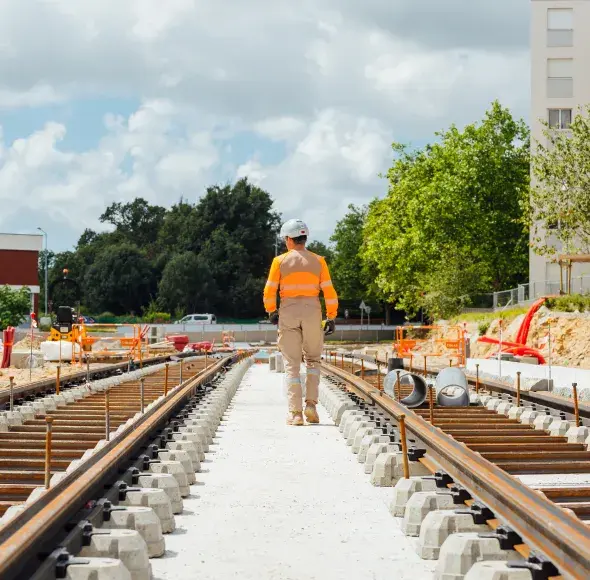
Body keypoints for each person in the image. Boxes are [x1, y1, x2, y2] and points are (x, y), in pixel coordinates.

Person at [263, 219, 338, 426]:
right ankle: (311, 406)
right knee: (313, 361)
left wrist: (272, 311)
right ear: (304, 238)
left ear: (289, 239)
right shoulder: (319, 261)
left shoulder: (280, 261)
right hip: (313, 311)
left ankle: (295, 414)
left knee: (292, 365)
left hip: (288, 310)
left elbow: (270, 290)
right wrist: (331, 316)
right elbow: (329, 291)